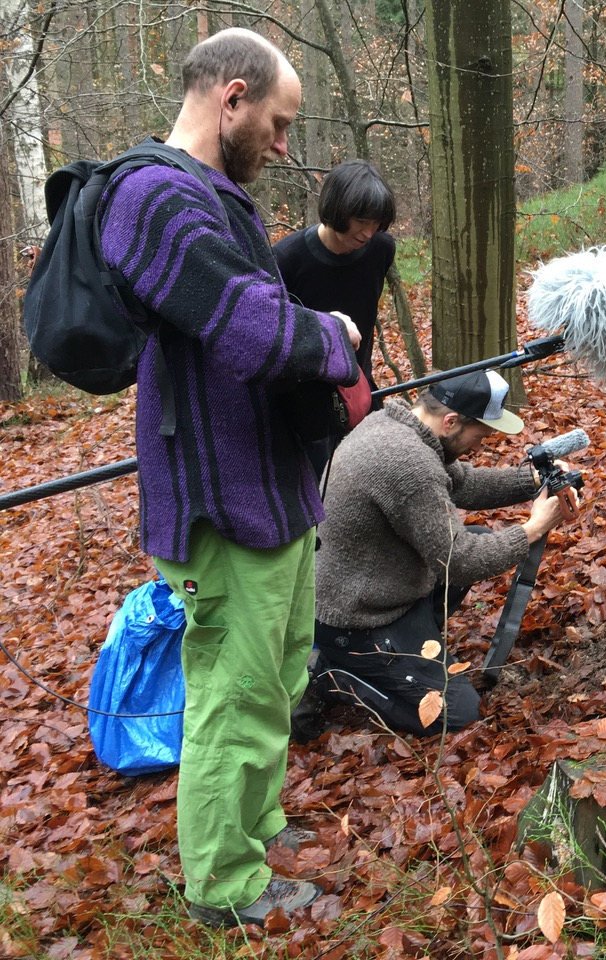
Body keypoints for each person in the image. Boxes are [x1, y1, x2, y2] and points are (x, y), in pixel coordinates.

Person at [97, 29, 362, 927]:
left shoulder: (212, 196)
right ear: (233, 98)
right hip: (220, 499)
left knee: (281, 673)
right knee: (234, 692)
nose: (284, 148)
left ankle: (256, 827)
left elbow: (250, 321)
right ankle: (225, 887)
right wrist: (333, 335)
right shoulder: (153, 197)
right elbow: (251, 330)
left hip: (272, 486)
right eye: (279, 125)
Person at [296, 369, 576, 739]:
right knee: (459, 714)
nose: (483, 442)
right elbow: (461, 559)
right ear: (451, 421)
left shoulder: (397, 426)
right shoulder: (406, 463)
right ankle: (334, 676)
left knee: (475, 534)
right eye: (482, 434)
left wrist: (535, 480)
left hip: (380, 590)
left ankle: (401, 648)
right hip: (357, 619)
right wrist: (534, 528)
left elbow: (465, 483)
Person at [273, 160, 397, 477]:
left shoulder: (381, 249)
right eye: (361, 221)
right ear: (337, 210)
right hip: (304, 401)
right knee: (322, 493)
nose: (369, 233)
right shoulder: (286, 259)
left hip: (360, 388)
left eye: (377, 223)